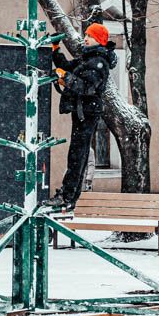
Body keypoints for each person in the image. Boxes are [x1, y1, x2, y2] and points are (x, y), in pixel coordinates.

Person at [45, 22, 117, 210]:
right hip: (82, 112)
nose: (85, 38)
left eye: (89, 36)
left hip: (87, 113)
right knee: (77, 154)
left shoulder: (98, 63)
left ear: (99, 40)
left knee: (78, 155)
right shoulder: (88, 58)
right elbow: (67, 66)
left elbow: (86, 87)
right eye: (86, 34)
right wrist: (55, 50)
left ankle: (68, 196)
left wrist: (65, 77)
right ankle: (68, 196)